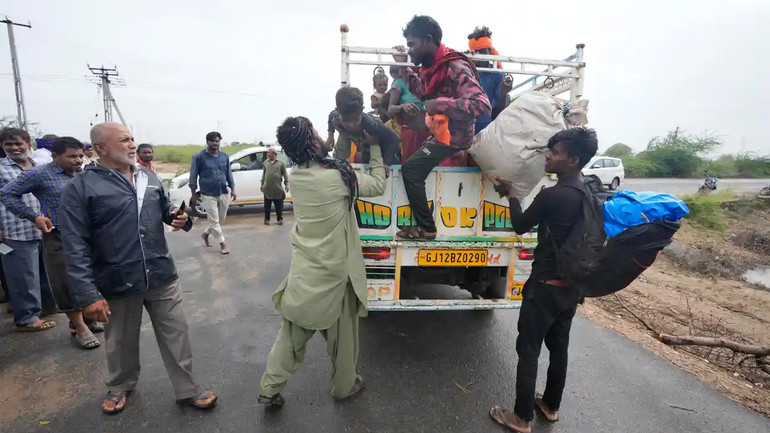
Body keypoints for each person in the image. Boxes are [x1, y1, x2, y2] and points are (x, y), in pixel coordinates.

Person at [59, 122, 217, 415]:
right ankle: (120, 385)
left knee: (177, 334)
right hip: (117, 279)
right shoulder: (80, 188)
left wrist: (177, 218)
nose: (133, 145)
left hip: (160, 273)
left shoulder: (148, 176)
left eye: (133, 139)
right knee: (120, 340)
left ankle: (188, 388)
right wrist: (88, 295)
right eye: (124, 140)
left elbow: (164, 211)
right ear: (101, 148)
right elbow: (74, 245)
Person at [258, 116, 386, 407]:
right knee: (344, 340)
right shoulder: (338, 178)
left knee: (290, 337)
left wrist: (341, 133)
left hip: (304, 274)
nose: (321, 138)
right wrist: (376, 147)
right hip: (335, 276)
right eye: (317, 134)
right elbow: (378, 184)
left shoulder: (298, 175)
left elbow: (331, 159)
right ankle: (344, 386)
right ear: (312, 143)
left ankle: (269, 388)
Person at [489, 127, 598, 433]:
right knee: (559, 346)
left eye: (556, 153)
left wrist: (513, 195)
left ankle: (521, 418)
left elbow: (521, 225)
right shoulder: (588, 192)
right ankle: (550, 406)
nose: (549, 156)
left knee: (529, 349)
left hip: (545, 287)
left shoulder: (553, 195)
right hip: (571, 286)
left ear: (573, 160)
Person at [0, 136, 104, 349]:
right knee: (64, 281)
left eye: (80, 156)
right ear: (55, 156)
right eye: (72, 156)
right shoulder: (39, 173)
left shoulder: (84, 172)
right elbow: (7, 194)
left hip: (86, 234)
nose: (78, 160)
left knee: (89, 276)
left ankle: (88, 316)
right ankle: (79, 327)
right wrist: (34, 217)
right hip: (59, 234)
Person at [394, 15, 492, 239]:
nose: (410, 50)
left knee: (411, 169)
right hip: (441, 133)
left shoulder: (454, 66)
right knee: (413, 166)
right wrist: (404, 68)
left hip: (455, 137)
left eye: (412, 44)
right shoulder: (432, 68)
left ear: (428, 40)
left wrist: (440, 104)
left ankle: (427, 228)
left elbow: (482, 105)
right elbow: (423, 92)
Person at [0, 127, 57, 332]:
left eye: (18, 143)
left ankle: (48, 308)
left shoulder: (39, 166)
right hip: (14, 230)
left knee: (46, 273)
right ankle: (27, 319)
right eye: (8, 144)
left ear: (28, 143)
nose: (14, 148)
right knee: (23, 277)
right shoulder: (1, 169)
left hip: (45, 229)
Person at [189, 131, 236, 255]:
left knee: (221, 219)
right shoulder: (199, 157)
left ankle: (205, 234)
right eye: (212, 141)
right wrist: (193, 193)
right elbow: (193, 175)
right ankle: (223, 244)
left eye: (217, 141)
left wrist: (233, 189)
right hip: (208, 193)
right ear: (207, 142)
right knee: (214, 221)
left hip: (223, 191)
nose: (215, 143)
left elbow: (228, 174)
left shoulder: (224, 156)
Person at [328, 86, 400, 165]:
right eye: (346, 121)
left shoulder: (371, 125)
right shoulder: (336, 118)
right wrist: (330, 135)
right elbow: (331, 115)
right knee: (340, 157)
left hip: (379, 146)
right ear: (339, 113)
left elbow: (394, 139)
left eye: (355, 120)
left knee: (370, 157)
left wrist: (386, 163)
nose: (351, 125)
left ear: (361, 111)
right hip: (357, 141)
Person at [467, 26, 513, 133]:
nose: (477, 55)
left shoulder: (497, 74)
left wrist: (504, 94)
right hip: (464, 124)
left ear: (488, 51)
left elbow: (499, 110)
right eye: (474, 52)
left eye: (480, 51)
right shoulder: (464, 69)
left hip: (485, 126)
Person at [261, 148, 289, 225]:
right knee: (267, 206)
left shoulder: (281, 163)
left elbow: (285, 175)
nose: (267, 154)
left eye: (269, 153)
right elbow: (264, 174)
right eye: (267, 153)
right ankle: (266, 219)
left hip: (277, 189)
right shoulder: (266, 163)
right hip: (267, 188)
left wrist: (287, 184)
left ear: (274, 154)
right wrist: (262, 184)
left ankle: (280, 219)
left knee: (279, 206)